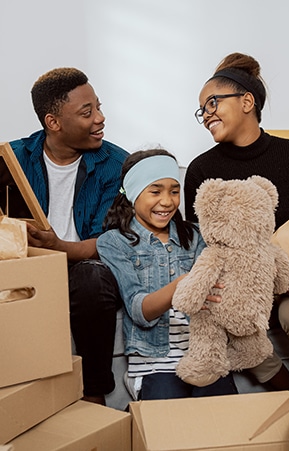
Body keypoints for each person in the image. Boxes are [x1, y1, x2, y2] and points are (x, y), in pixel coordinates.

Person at [9, 67, 129, 404]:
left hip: (87, 266)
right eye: (87, 112)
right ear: (53, 122)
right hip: (30, 264)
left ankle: (95, 392)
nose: (100, 119)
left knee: (92, 278)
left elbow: (109, 245)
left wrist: (57, 247)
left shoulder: (115, 164)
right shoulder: (15, 158)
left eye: (99, 107)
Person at [184, 52, 289, 390]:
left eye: (213, 103)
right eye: (202, 110)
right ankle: (286, 392)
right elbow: (197, 242)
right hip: (238, 287)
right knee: (225, 318)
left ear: (247, 101)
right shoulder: (201, 171)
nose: (206, 115)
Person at [96, 148, 238, 400]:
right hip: (154, 364)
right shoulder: (113, 243)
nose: (167, 201)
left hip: (202, 355)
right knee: (168, 424)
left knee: (224, 418)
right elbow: (140, 311)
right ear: (133, 194)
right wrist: (182, 285)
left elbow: (218, 296)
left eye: (174, 191)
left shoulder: (196, 236)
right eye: (155, 191)